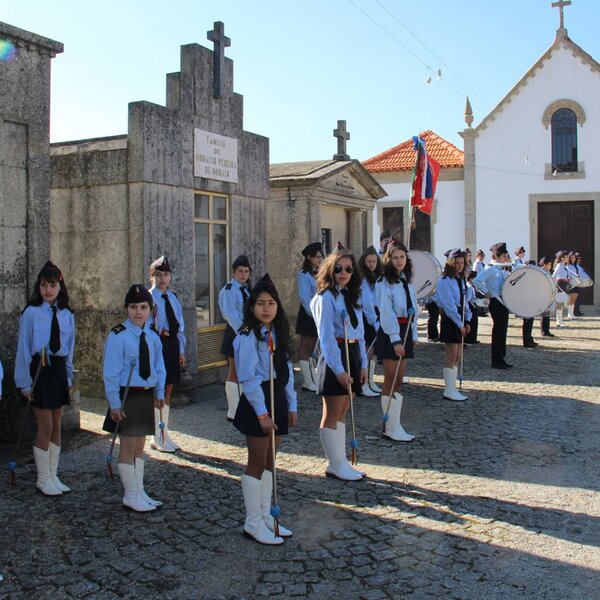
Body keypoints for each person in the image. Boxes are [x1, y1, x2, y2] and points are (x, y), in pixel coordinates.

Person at [233, 274, 297, 545]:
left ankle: (267, 516)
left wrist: (291, 405)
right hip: (257, 401)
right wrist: (262, 414)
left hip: (277, 398)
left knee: (271, 461)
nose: (266, 308)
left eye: (271, 303)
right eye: (260, 303)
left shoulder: (277, 333)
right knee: (257, 462)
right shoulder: (246, 336)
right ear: (251, 307)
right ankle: (252, 522)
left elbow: (288, 373)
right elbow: (247, 378)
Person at [102, 284, 166, 512]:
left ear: (150, 310)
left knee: (140, 445)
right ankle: (130, 495)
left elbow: (159, 366)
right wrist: (114, 404)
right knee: (128, 445)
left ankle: (139, 491)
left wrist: (159, 392)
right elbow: (110, 372)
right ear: (126, 309)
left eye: (143, 307)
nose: (138, 312)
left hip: (145, 395)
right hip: (127, 395)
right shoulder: (118, 335)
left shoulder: (152, 336)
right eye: (133, 307)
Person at [15, 261, 75, 496]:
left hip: (58, 371)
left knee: (57, 425)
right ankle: (42, 478)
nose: (47, 290)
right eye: (43, 285)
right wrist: (24, 384)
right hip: (39, 371)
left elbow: (69, 350)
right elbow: (22, 349)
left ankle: (53, 475)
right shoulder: (30, 313)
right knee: (45, 424)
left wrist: (68, 378)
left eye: (52, 285)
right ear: (38, 287)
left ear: (60, 286)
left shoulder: (68, 314)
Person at [311, 249, 368, 481]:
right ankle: (334, 463)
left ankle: (342, 460)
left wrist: (363, 364)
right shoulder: (325, 298)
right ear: (330, 270)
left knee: (344, 409)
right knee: (333, 411)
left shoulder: (352, 296)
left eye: (348, 269)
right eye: (338, 268)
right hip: (336, 354)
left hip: (352, 351)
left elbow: (361, 333)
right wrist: (340, 370)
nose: (343, 273)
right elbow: (325, 338)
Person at [375, 240, 417, 441]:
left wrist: (414, 334)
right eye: (395, 257)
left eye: (402, 256)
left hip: (406, 329)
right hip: (392, 331)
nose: (399, 260)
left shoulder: (406, 280)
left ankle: (395, 423)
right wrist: (395, 340)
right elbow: (386, 312)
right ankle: (389, 426)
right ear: (388, 259)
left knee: (400, 379)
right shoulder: (384, 282)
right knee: (391, 379)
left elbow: (413, 309)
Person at [149, 256, 186, 452]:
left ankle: (164, 433)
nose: (163, 278)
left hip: (171, 345)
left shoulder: (172, 298)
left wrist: (181, 349)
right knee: (158, 391)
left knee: (168, 391)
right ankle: (157, 435)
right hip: (157, 346)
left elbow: (180, 326)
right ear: (152, 277)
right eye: (159, 275)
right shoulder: (148, 298)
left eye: (166, 275)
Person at [218, 255, 252, 421]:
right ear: (233, 272)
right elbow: (232, 316)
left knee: (246, 369)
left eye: (246, 271)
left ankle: (243, 404)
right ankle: (233, 409)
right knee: (235, 371)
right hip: (235, 332)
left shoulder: (246, 289)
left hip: (247, 332)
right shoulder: (229, 290)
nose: (243, 275)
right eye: (240, 271)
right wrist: (245, 331)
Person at [436, 249, 471, 401]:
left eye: (462, 263)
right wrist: (459, 323)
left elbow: (465, 302)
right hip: (451, 320)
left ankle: (453, 387)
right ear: (450, 263)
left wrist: (467, 320)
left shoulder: (461, 279)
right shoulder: (444, 281)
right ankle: (449, 389)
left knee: (458, 355)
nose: (459, 266)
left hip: (460, 318)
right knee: (451, 354)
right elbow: (449, 305)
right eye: (456, 263)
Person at [473, 242, 512, 369]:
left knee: (502, 330)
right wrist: (487, 292)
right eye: (504, 256)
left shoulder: (499, 269)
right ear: (497, 256)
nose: (505, 258)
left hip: (502, 301)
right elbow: (477, 281)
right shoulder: (490, 269)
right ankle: (496, 360)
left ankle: (501, 358)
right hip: (496, 302)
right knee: (498, 331)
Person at [296, 242, 323, 392]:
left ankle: (314, 377)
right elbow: (305, 297)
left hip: (319, 313)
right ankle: (307, 380)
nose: (320, 259)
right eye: (317, 257)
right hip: (309, 314)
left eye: (321, 256)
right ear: (309, 258)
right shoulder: (303, 274)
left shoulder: (320, 272)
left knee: (314, 347)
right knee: (305, 346)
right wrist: (314, 314)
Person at [358, 246, 382, 397]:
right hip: (367, 317)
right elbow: (366, 304)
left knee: (373, 352)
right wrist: (375, 322)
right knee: (367, 350)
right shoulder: (362, 279)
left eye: (374, 261)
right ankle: (363, 383)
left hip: (377, 314)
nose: (372, 264)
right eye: (369, 261)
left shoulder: (378, 276)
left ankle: (371, 381)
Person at [513, 247, 537, 349]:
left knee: (530, 319)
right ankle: (527, 340)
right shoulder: (516, 262)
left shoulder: (521, 262)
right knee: (527, 319)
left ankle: (529, 338)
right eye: (522, 253)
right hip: (523, 294)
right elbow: (516, 273)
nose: (523, 254)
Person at [552, 251, 570, 328]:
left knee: (562, 303)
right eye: (566, 257)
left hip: (563, 284)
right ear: (562, 258)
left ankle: (560, 320)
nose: (568, 258)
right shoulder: (559, 265)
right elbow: (554, 275)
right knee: (560, 303)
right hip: (560, 284)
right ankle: (559, 321)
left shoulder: (564, 265)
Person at [538, 257, 555, 337]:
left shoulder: (547, 272)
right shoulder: (541, 272)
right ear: (544, 265)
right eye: (548, 264)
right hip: (543, 294)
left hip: (548, 293)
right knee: (544, 313)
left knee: (547, 313)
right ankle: (543, 331)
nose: (550, 266)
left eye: (550, 265)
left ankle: (547, 330)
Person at [464, 270, 480, 344]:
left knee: (475, 323)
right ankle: (470, 339)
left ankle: (473, 338)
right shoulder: (469, 287)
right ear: (470, 279)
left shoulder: (472, 286)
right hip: (471, 306)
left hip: (473, 304)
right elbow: (467, 299)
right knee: (472, 323)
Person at [565, 251, 581, 320]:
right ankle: (569, 314)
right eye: (571, 257)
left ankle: (572, 314)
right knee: (570, 299)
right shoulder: (568, 265)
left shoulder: (576, 265)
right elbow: (568, 274)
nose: (573, 259)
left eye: (574, 257)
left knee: (574, 299)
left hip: (576, 283)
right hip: (571, 283)